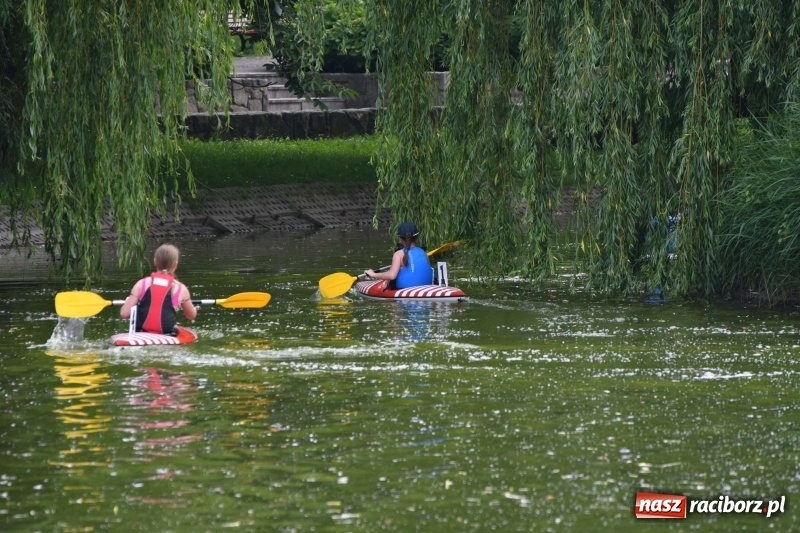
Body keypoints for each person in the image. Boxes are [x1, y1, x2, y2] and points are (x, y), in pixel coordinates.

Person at [121, 244, 197, 334]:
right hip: (167, 334)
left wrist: (128, 301)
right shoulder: (181, 289)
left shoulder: (141, 284)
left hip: (141, 332)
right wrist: (193, 307)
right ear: (175, 264)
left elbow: (124, 314)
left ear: (155, 261)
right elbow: (191, 316)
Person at [365, 222, 434, 289]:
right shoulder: (423, 252)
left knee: (391, 279)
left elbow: (392, 276)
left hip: (405, 290)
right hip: (427, 288)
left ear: (400, 239)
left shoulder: (398, 254)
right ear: (417, 238)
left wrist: (373, 274)